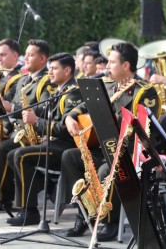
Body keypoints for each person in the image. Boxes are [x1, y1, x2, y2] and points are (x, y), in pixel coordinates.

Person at [62, 42, 160, 241]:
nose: (106, 66)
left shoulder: (145, 91)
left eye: (112, 62)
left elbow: (145, 131)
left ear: (126, 66)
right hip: (104, 147)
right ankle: (84, 212)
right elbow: (83, 104)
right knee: (70, 157)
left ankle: (110, 221)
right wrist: (70, 117)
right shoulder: (106, 85)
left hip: (127, 152)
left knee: (106, 170)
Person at [6, 52, 82, 226]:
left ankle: (29, 211)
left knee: (21, 155)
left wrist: (38, 122)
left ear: (68, 70)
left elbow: (65, 130)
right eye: (49, 69)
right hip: (53, 143)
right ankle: (41, 188)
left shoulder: (74, 93)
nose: (50, 73)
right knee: (12, 154)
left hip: (65, 148)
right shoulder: (58, 91)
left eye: (54, 68)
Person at [0, 39, 53, 212]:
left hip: (36, 133)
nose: (26, 58)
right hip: (18, 130)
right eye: (27, 54)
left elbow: (45, 108)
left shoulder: (47, 81)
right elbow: (7, 103)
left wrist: (14, 108)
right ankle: (1, 197)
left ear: (43, 58)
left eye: (31, 55)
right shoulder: (24, 79)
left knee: (4, 149)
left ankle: (3, 199)